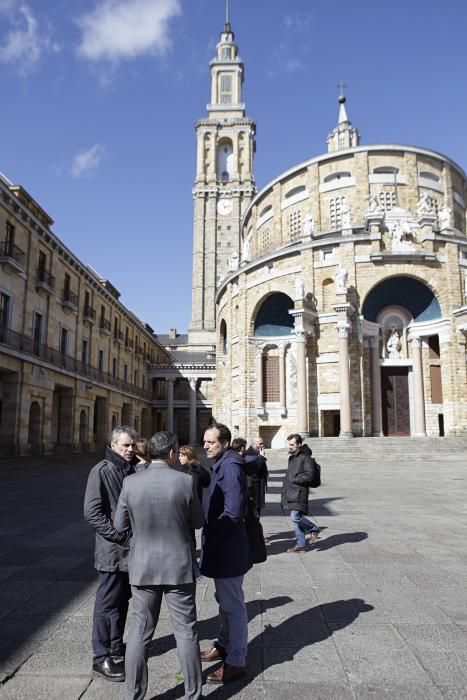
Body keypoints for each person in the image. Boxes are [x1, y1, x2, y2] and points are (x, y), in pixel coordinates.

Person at [114, 431, 204, 700]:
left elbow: (119, 526)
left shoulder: (130, 482)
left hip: (143, 566)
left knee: (140, 631)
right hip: (178, 566)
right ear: (172, 453)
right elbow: (198, 521)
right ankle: (192, 694)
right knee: (186, 631)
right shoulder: (185, 482)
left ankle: (133, 695)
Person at [83, 425, 137, 682]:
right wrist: (120, 535)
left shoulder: (130, 468)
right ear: (113, 445)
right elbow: (92, 512)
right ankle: (100, 657)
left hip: (128, 551)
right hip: (112, 551)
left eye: (132, 445)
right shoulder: (102, 471)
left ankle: (116, 644)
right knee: (106, 604)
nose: (130, 449)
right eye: (125, 445)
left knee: (122, 599)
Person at [200, 424, 251, 684]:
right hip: (223, 547)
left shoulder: (230, 467)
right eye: (205, 441)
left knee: (233, 606)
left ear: (226, 442)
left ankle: (236, 661)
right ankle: (223, 644)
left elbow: (232, 513)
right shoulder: (223, 462)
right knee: (224, 601)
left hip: (228, 549)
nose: (206, 446)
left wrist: (212, 537)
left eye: (211, 442)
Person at [281, 433, 321, 553]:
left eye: (292, 444)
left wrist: (294, 480)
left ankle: (314, 529)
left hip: (299, 492)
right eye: (289, 444)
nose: (290, 446)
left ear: (299, 444)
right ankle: (301, 544)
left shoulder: (305, 457)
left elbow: (309, 476)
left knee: (295, 516)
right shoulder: (293, 457)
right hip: (292, 492)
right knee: (295, 519)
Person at [178, 444, 211, 547]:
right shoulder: (191, 469)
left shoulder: (193, 473)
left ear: (189, 456)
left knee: (189, 535)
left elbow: (192, 493)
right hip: (190, 508)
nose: (179, 458)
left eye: (182, 455)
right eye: (179, 455)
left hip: (189, 509)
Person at [244, 437, 269, 515]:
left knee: (257, 510)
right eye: (260, 444)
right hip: (254, 487)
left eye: (263, 443)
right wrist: (262, 457)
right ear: (254, 444)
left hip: (259, 485)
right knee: (254, 512)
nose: (263, 445)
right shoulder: (249, 454)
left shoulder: (259, 452)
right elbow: (253, 469)